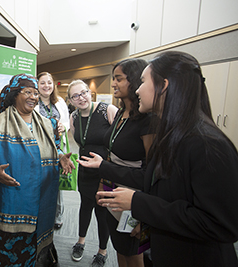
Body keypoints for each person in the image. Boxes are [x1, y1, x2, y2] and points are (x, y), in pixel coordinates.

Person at [89, 51, 238, 267]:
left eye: (142, 82)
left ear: (163, 85)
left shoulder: (206, 143)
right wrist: (150, 220)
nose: (138, 90)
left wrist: (139, 203)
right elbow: (167, 194)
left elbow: (220, 224)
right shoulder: (172, 135)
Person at [0, 73, 74, 266]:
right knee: (9, 254)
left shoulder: (49, 124)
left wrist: (61, 157)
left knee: (36, 253)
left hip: (42, 202)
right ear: (14, 95)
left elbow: (55, 147)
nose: (33, 97)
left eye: (36, 93)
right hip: (9, 205)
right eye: (27, 92)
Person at [92, 58, 150, 267]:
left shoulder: (147, 119)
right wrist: (102, 185)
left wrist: (144, 213)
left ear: (134, 81)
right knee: (120, 249)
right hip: (113, 192)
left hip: (134, 197)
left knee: (134, 255)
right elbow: (110, 153)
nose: (113, 83)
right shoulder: (120, 113)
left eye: (119, 79)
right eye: (114, 78)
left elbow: (152, 171)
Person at [68, 80, 118, 267]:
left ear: (90, 92)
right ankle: (80, 242)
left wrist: (109, 167)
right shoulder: (74, 117)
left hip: (105, 171)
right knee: (85, 206)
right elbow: (80, 143)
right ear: (71, 100)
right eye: (76, 96)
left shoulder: (108, 110)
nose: (81, 98)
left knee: (102, 211)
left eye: (84, 93)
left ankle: (102, 251)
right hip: (85, 171)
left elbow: (119, 143)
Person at [34, 71, 70, 229]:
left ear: (53, 85)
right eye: (42, 83)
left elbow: (67, 123)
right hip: (39, 149)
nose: (46, 86)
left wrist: (63, 126)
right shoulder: (33, 101)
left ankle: (57, 216)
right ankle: (39, 213)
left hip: (58, 148)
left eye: (49, 82)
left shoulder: (60, 102)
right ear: (37, 85)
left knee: (56, 182)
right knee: (40, 182)